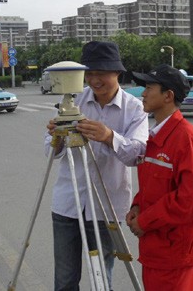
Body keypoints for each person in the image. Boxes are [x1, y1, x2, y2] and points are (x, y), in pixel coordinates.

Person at [44, 41, 148, 291]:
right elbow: (49, 151)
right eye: (89, 73)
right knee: (65, 279)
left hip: (106, 207)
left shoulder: (134, 109)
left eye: (101, 73)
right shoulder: (72, 100)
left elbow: (138, 153)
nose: (94, 79)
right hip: (67, 204)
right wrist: (56, 136)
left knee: (101, 277)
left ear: (117, 73)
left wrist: (109, 136)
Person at [125, 64, 193, 291]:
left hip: (173, 252)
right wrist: (137, 206)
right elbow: (155, 185)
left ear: (168, 96)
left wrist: (145, 221)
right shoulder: (156, 136)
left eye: (149, 88)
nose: (143, 93)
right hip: (155, 247)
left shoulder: (185, 137)